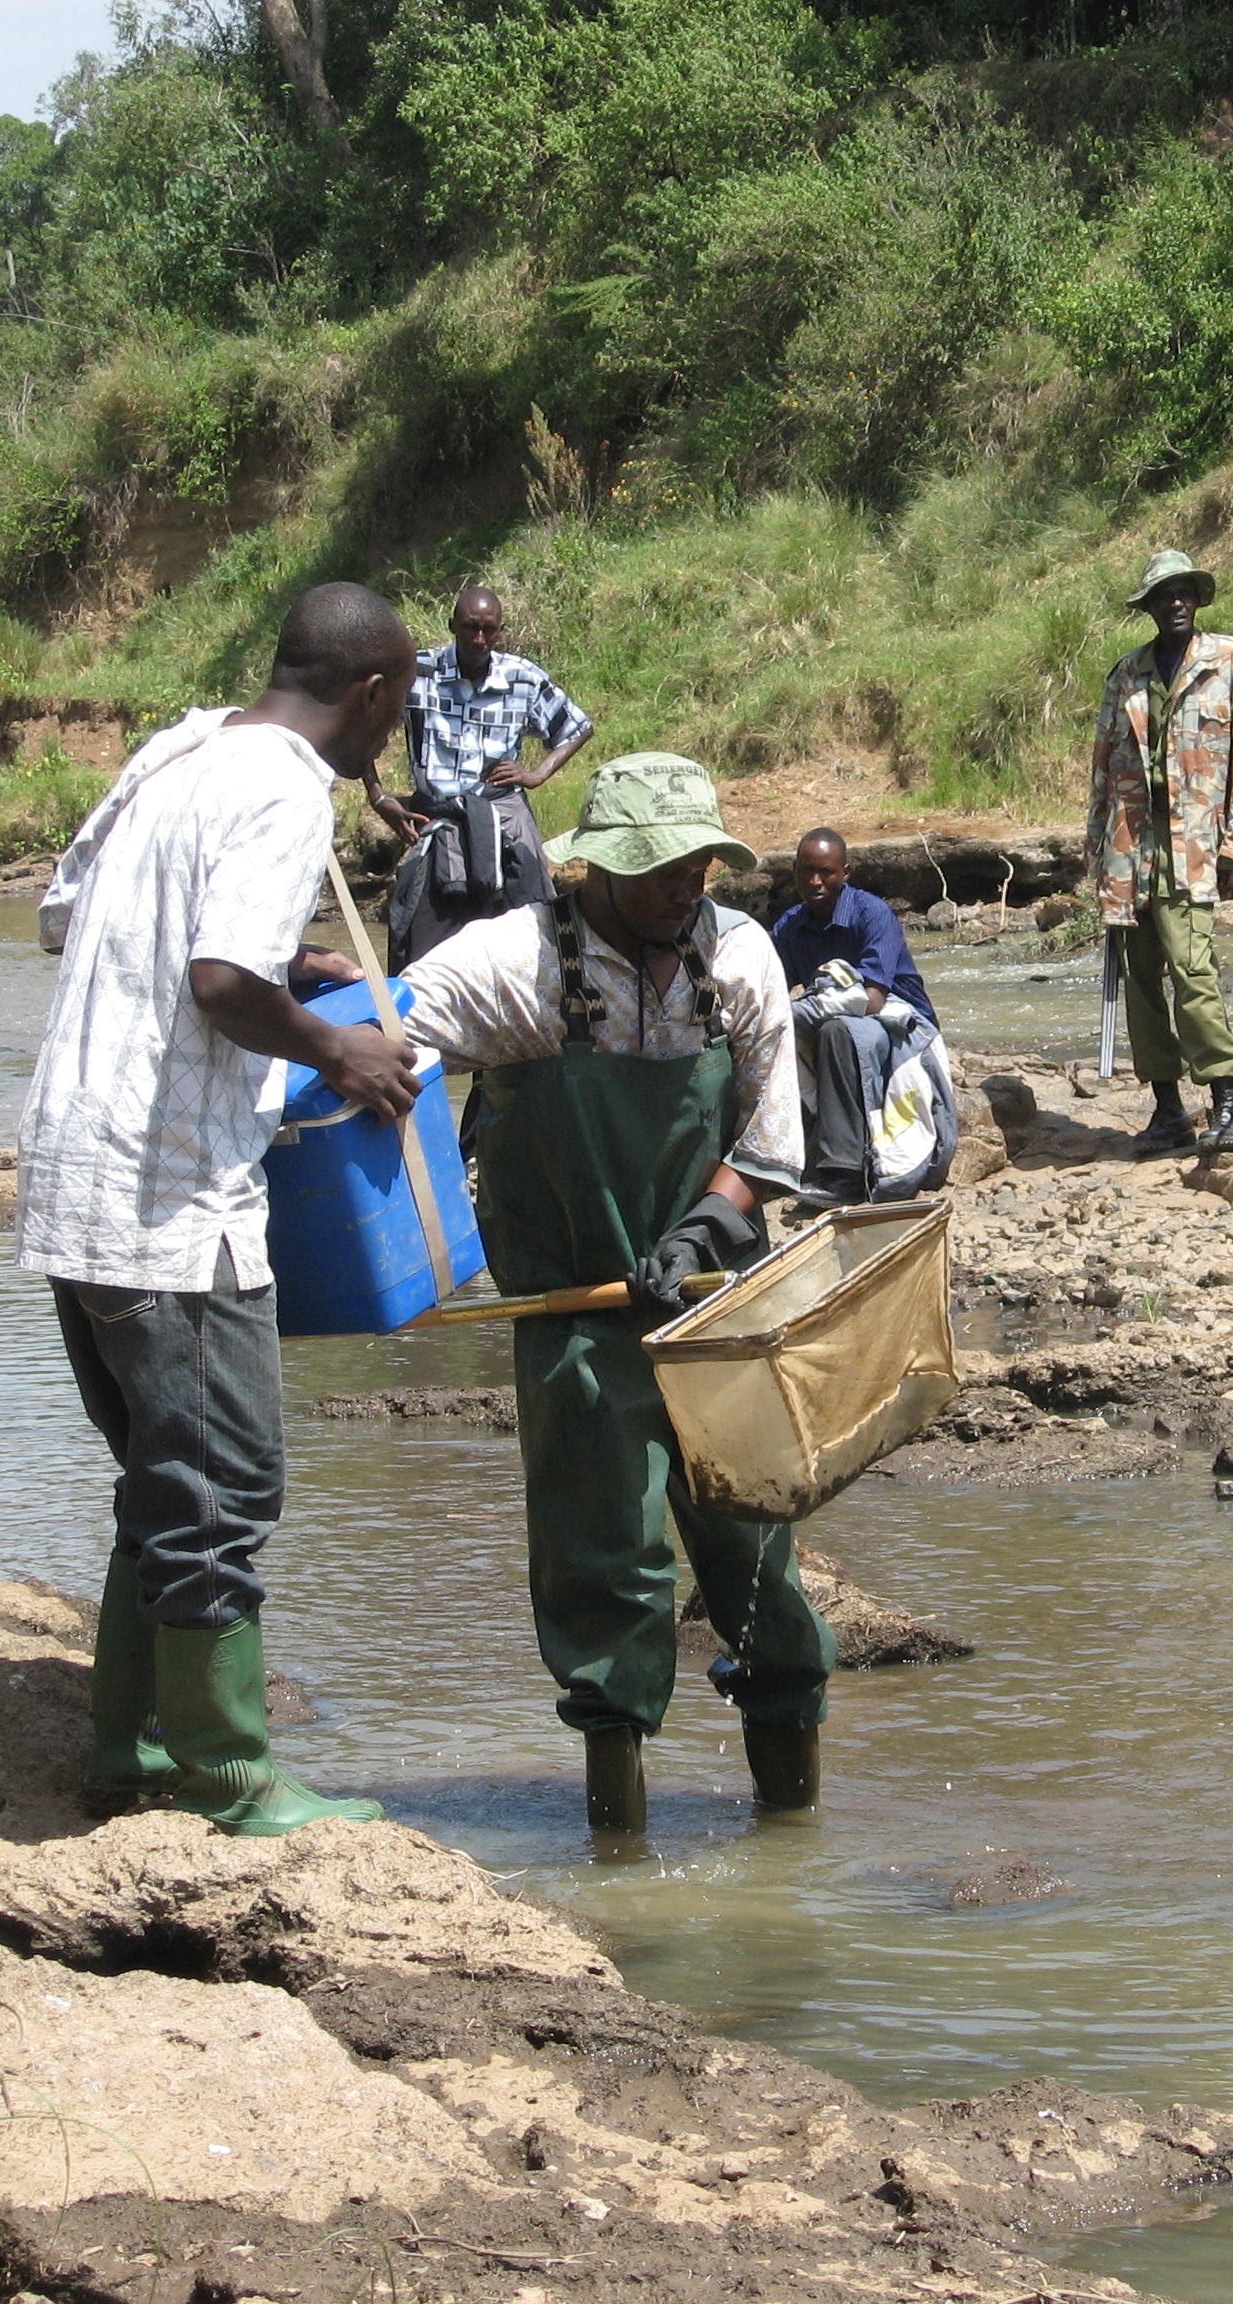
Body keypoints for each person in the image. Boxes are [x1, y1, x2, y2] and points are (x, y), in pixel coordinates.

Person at [19, 581, 423, 1836]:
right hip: (169, 1193)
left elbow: (68, 915)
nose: (392, 738)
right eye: (399, 711)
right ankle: (227, 1773)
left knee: (163, 1473)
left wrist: (288, 962)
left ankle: (129, 1744)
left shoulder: (179, 750)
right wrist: (336, 1045)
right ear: (370, 693)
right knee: (223, 1488)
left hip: (72, 1171)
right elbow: (216, 982)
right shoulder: (288, 790)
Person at [398, 754, 831, 1838]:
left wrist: (702, 1225)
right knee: (607, 1580)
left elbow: (771, 1141)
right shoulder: (512, 964)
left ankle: (790, 1830)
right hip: (576, 1323)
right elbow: (385, 1041)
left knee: (761, 1568)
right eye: (661, 872)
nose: (687, 888)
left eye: (699, 867)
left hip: (717, 1313)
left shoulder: (738, 955)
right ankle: (619, 1838)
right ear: (595, 868)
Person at [1088, 548, 1233, 1155]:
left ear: (1196, 599)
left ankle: (1229, 1102)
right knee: (1140, 980)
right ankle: (1167, 1109)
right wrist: (1097, 855)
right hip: (1130, 851)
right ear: (1148, 607)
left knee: (1193, 971)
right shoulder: (1127, 673)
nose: (1175, 603)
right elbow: (1104, 769)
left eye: (1184, 593)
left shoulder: (1231, 660)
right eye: (1164, 595)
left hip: (1194, 846)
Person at [365, 585, 597, 971]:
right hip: (438, 821)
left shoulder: (522, 678)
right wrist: (378, 796)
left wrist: (537, 773)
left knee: (535, 941)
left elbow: (577, 727)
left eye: (489, 630)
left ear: (500, 631)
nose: (479, 639)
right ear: (452, 626)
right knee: (421, 954)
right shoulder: (417, 674)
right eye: (471, 627)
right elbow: (363, 722)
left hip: (502, 818)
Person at [768, 828, 957, 1209]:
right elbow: (768, 991)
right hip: (836, 1018)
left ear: (846, 873)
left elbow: (871, 1001)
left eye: (826, 872)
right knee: (766, 1033)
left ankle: (844, 1173)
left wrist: (793, 1013)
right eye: (806, 871)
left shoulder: (873, 914)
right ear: (794, 872)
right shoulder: (791, 926)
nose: (815, 882)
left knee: (835, 1032)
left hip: (899, 1023)